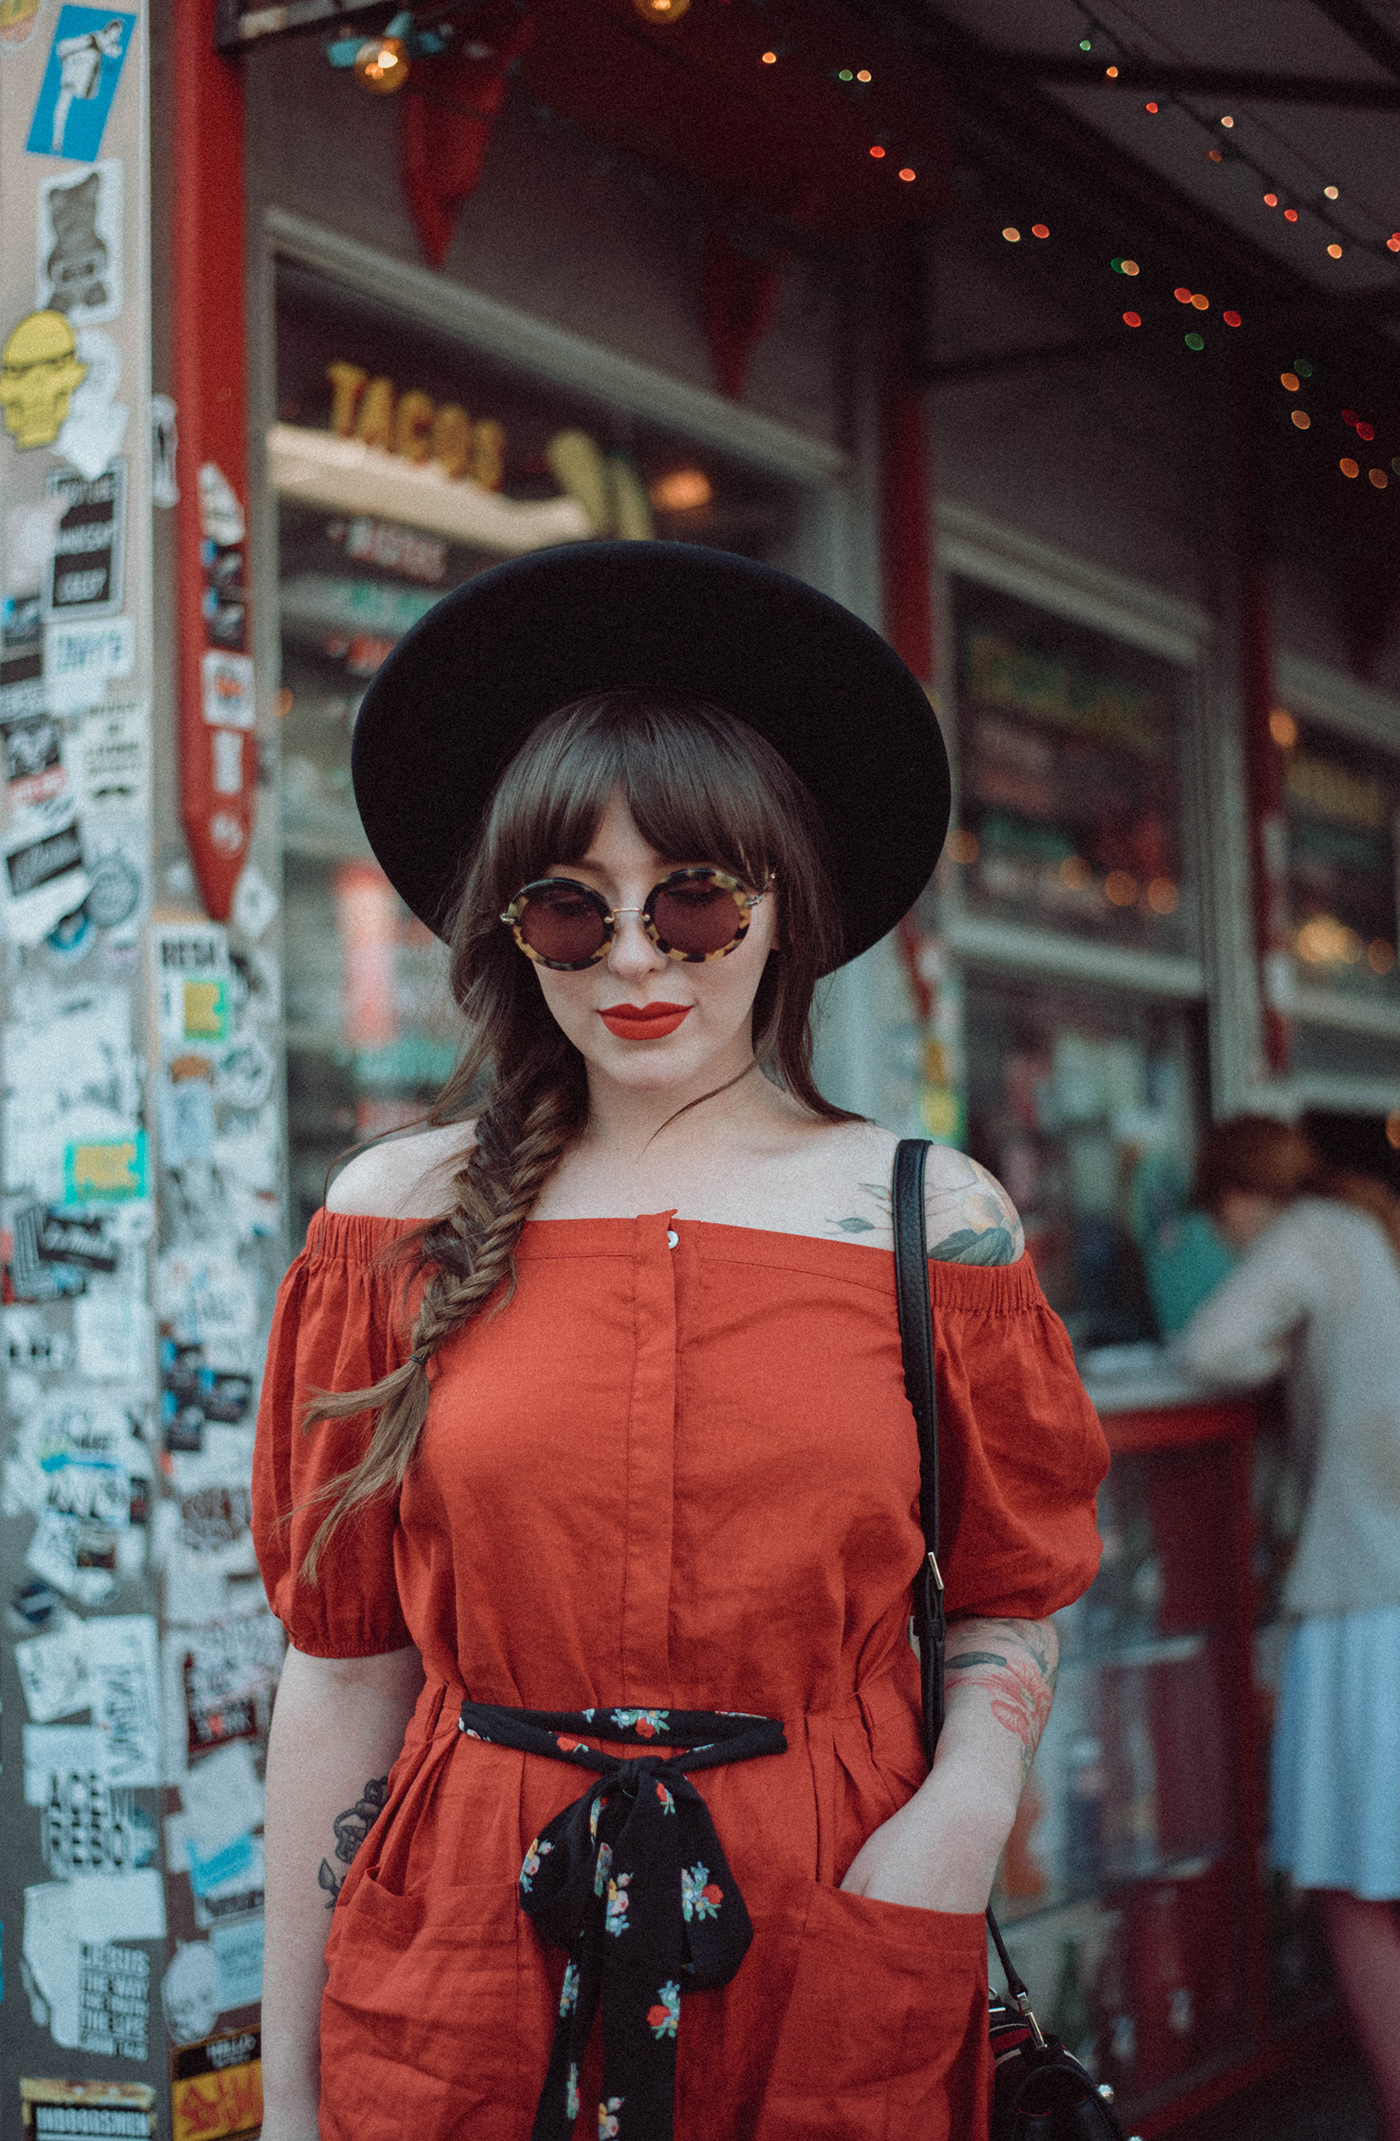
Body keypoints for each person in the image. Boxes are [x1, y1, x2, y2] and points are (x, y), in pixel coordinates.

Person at [251, 543, 1109, 2141]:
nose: (638, 957)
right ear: (515, 929)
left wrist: (962, 1817)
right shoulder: (391, 1218)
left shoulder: (930, 1220)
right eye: (575, 909)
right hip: (460, 1956)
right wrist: (289, 2093)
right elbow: (341, 1665)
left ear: (782, 904)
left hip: (830, 1932)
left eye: (694, 898)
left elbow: (1012, 1587)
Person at [1176, 1115, 1400, 2141]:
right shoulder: (1370, 1224)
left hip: (1366, 1592)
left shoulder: (1306, 1232)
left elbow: (1208, 1342)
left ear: (1231, 1202)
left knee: (1355, 1880)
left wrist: (1275, 1353)